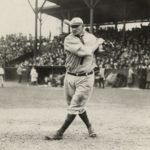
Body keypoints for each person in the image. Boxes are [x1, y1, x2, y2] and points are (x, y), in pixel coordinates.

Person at [45, 17, 105, 140]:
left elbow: (98, 52)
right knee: (75, 105)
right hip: (70, 76)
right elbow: (85, 52)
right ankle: (89, 126)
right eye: (72, 26)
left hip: (86, 77)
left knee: (75, 105)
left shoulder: (90, 37)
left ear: (83, 26)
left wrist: (101, 45)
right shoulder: (68, 39)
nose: (74, 29)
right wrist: (97, 43)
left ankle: (60, 132)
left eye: (77, 26)